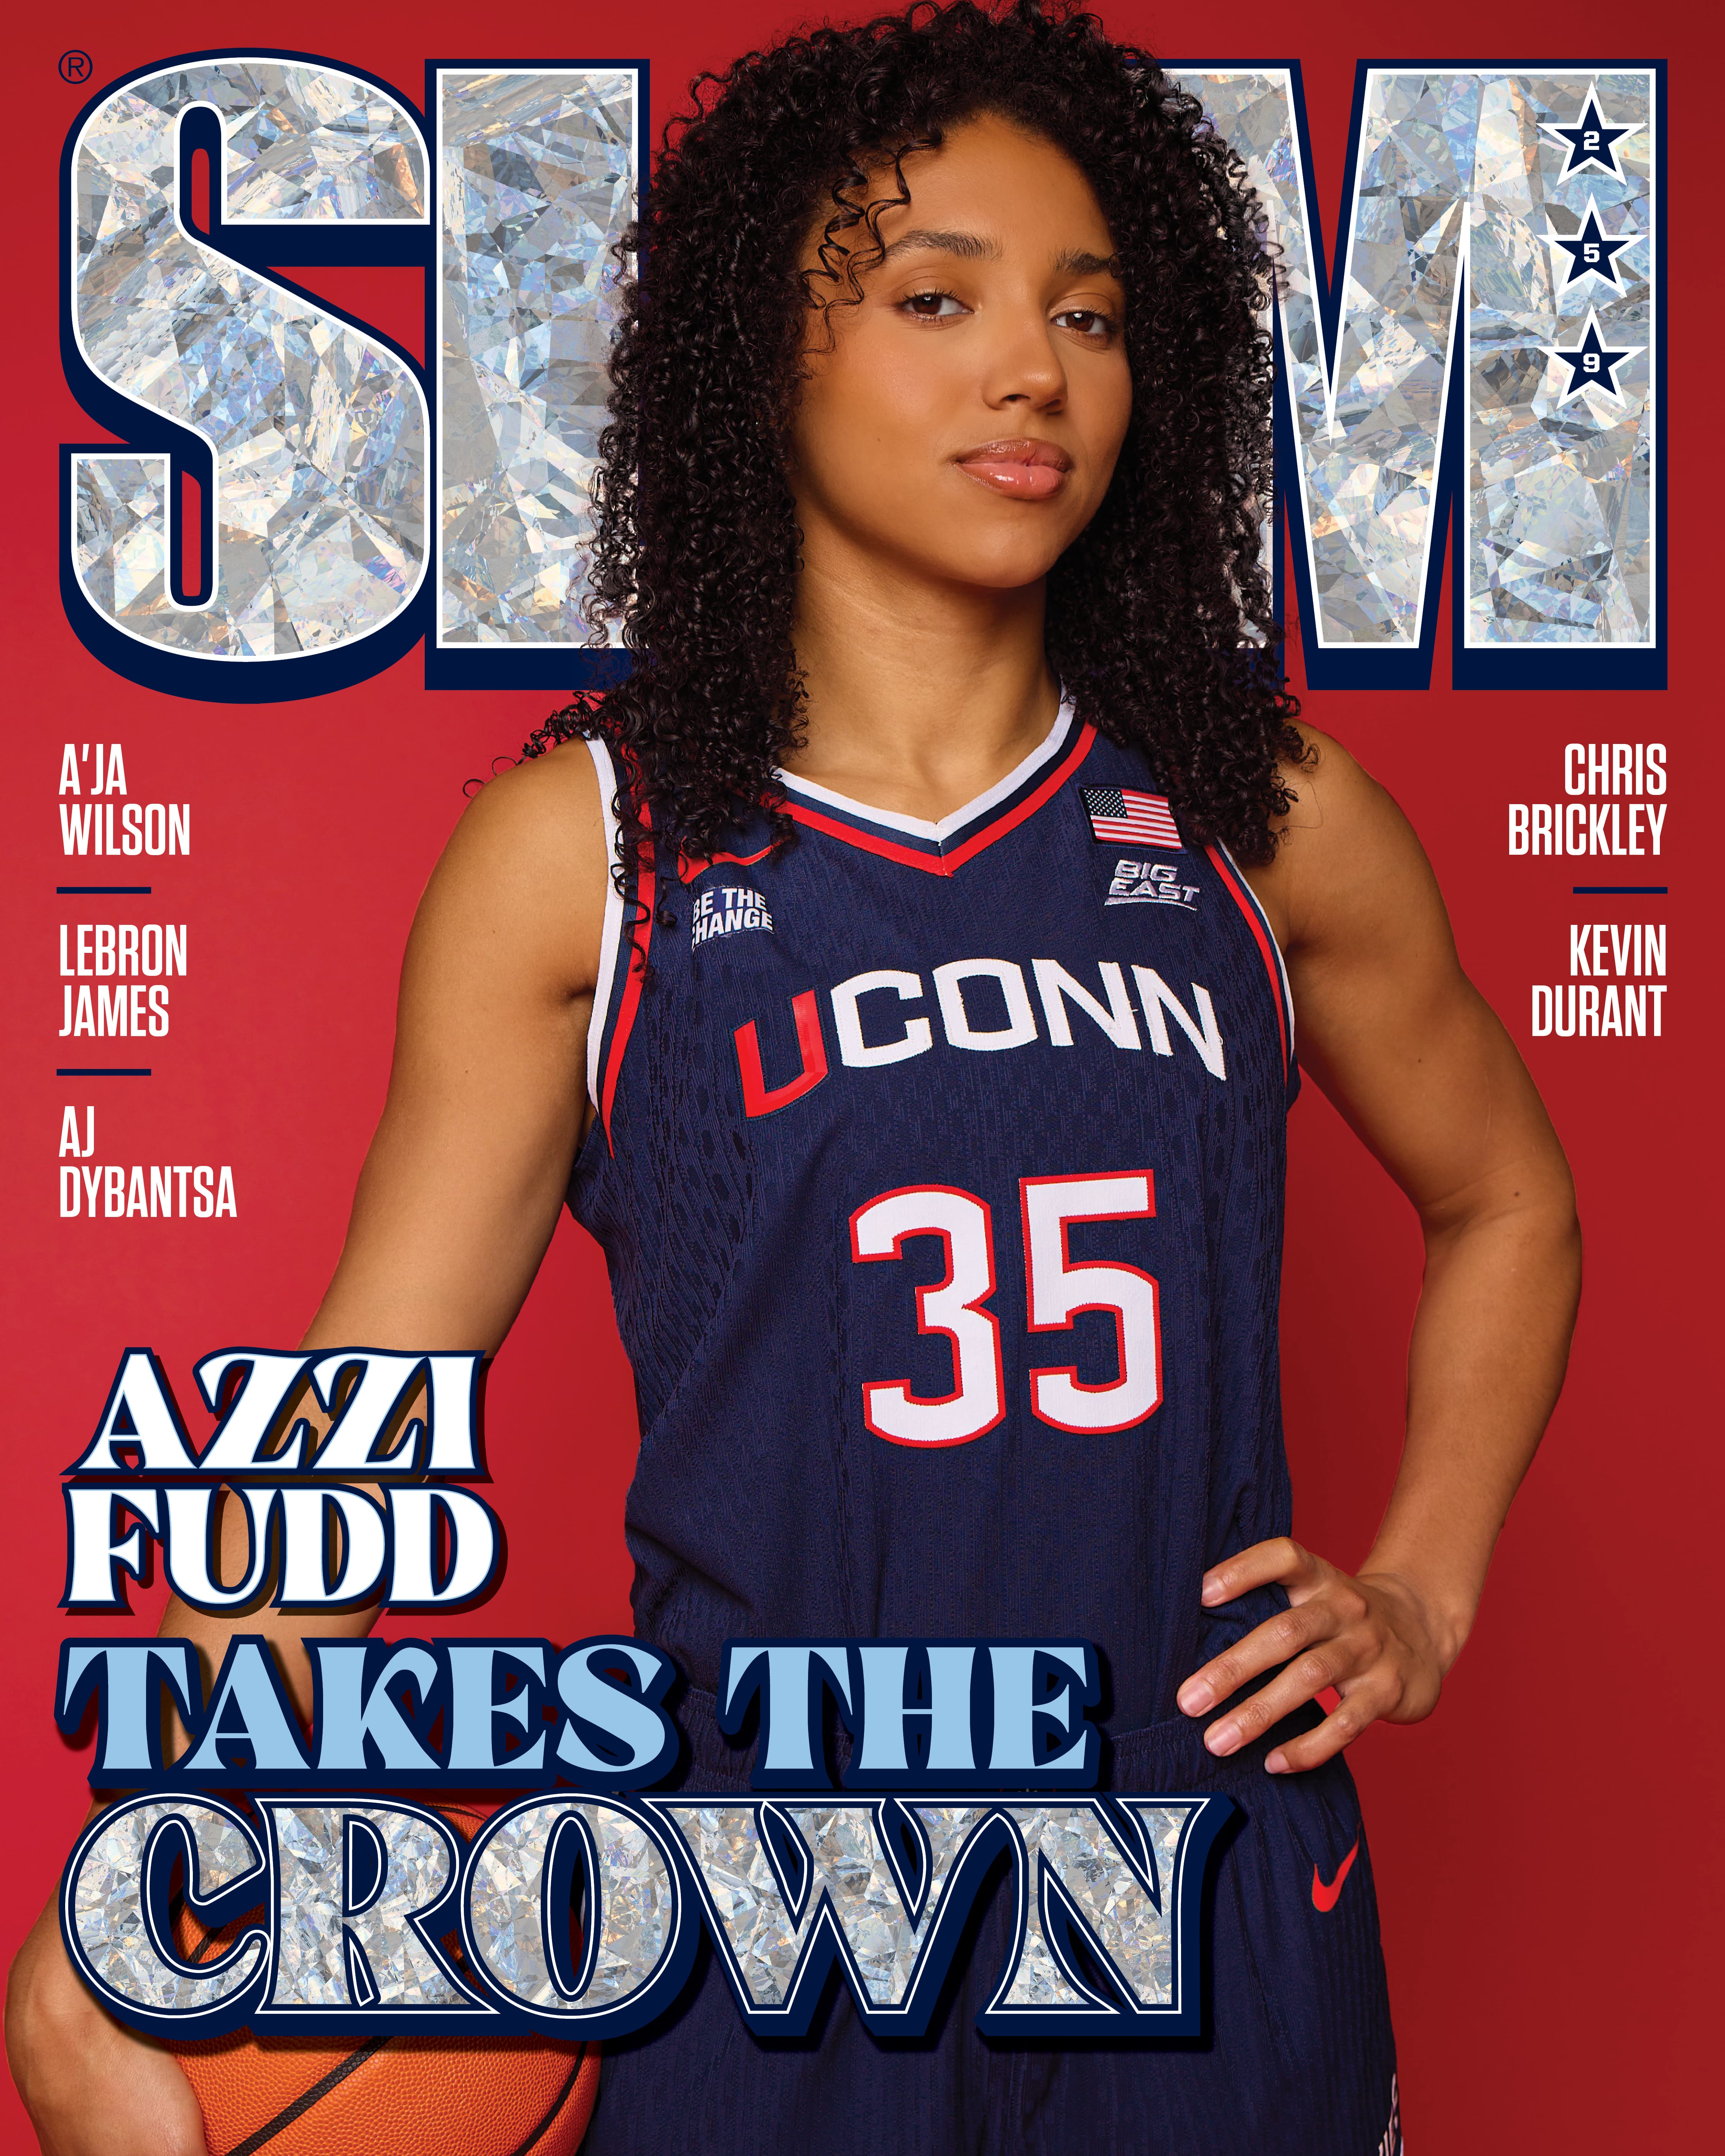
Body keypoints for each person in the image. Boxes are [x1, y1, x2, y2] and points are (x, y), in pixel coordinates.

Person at [7, 5, 1580, 2151]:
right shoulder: (598, 851)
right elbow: (360, 1414)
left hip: (1209, 1903)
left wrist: (1421, 1584)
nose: (1031, 369)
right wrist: (150, 1856)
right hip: (777, 1924)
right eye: (935, 298)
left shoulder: (1255, 813)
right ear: (766, 360)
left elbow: (1511, 1199)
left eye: (1091, 314)